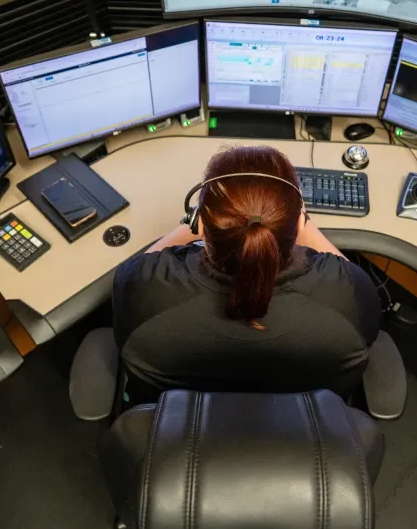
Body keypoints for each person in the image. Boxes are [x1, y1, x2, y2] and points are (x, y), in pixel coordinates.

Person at [111, 145, 382, 401]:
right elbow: (349, 274)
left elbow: (138, 267)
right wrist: (302, 224)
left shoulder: (144, 287)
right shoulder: (347, 295)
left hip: (177, 427)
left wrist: (196, 223)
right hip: (302, 426)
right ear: (297, 223)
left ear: (201, 223)